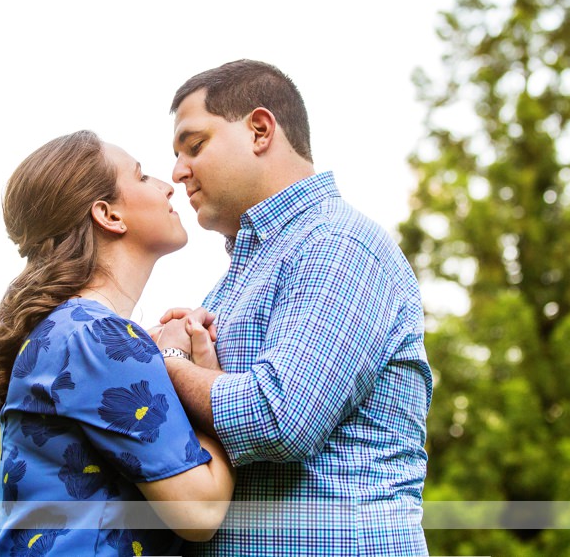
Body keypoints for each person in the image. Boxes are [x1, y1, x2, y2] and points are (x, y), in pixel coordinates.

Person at [154, 60, 432, 556]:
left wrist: (160, 362)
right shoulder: (234, 283)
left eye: (194, 146)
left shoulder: (340, 244)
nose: (178, 172)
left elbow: (280, 419)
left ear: (260, 130)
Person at [0, 130, 234, 557]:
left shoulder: (69, 330)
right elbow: (200, 512)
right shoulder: (98, 337)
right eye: (143, 176)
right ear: (108, 214)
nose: (168, 185)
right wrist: (190, 369)